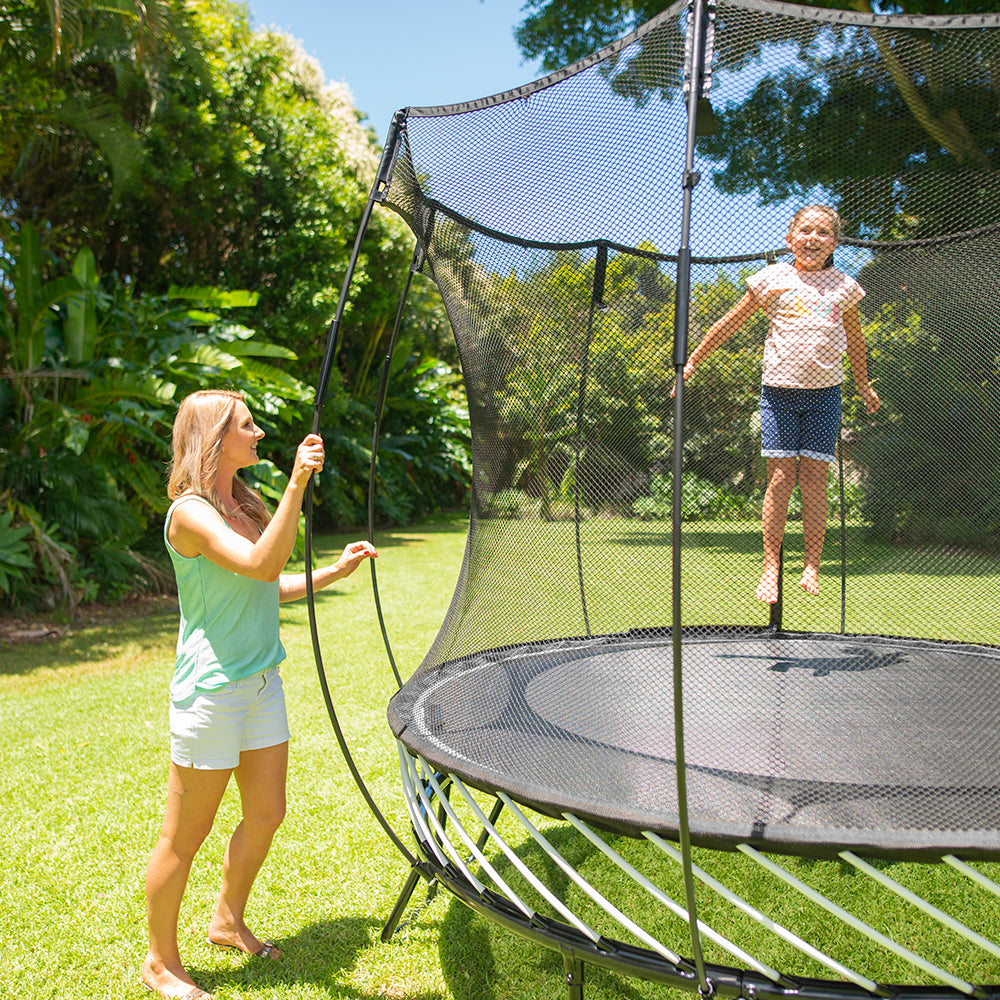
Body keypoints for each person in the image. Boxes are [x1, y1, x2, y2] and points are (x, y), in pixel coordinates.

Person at [141, 389, 377, 1000]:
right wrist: (298, 484)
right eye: (248, 426)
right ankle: (161, 963)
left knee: (267, 813)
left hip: (261, 684)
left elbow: (263, 587)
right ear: (216, 437)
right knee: (183, 836)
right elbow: (259, 566)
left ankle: (226, 919)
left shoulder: (242, 502)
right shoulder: (190, 513)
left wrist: (331, 573)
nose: (260, 434)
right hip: (212, 694)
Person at [679, 205, 880, 603]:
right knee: (780, 479)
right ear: (790, 239)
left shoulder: (845, 286)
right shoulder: (772, 278)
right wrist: (693, 361)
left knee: (815, 480)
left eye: (823, 233)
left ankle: (812, 565)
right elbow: (730, 322)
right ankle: (771, 567)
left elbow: (855, 340)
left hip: (825, 396)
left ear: (834, 243)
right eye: (805, 231)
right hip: (779, 394)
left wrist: (864, 385)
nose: (813, 239)